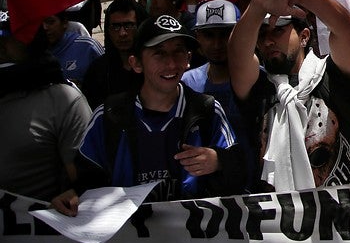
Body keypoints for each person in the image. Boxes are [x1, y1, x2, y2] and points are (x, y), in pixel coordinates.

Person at [50, 15, 245, 215]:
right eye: (159, 53)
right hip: (127, 230)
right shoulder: (109, 116)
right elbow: (86, 178)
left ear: (188, 59)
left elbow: (240, 173)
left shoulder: (207, 111)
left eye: (178, 52)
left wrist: (219, 161)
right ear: (136, 63)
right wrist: (71, 194)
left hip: (190, 230)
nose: (171, 64)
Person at [228, 0, 350, 190]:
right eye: (262, 34)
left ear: (304, 36)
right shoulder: (258, 88)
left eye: (278, 31)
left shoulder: (331, 76)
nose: (268, 40)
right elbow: (236, 55)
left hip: (339, 209)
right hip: (277, 212)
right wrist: (257, 6)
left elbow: (345, 29)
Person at [0, 12, 92, 201]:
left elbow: (88, 186)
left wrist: (72, 195)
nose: (1, 44)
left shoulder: (63, 100)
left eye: (7, 35)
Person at [181, 0, 260, 190]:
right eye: (209, 35)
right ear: (198, 37)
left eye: (225, 34)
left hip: (252, 188)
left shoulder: (260, 80)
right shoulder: (186, 83)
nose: (217, 44)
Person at [81, 0, 147, 109]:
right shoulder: (97, 71)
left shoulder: (152, 67)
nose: (122, 33)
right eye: (115, 27)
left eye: (129, 25)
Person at [38, 10, 103, 86]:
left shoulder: (88, 46)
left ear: (64, 23)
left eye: (50, 22)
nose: (45, 27)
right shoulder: (33, 54)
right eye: (39, 23)